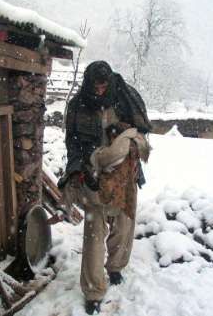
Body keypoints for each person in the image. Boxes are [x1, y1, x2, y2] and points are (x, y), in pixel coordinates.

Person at [57, 61, 151, 314]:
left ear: (109, 83)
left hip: (124, 173)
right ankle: (93, 289)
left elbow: (142, 133)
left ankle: (116, 267)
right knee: (94, 231)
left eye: (103, 85)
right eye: (95, 85)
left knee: (124, 224)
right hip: (92, 170)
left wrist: (126, 145)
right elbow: (72, 144)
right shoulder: (78, 105)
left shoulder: (125, 98)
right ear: (88, 83)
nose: (99, 90)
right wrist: (78, 170)